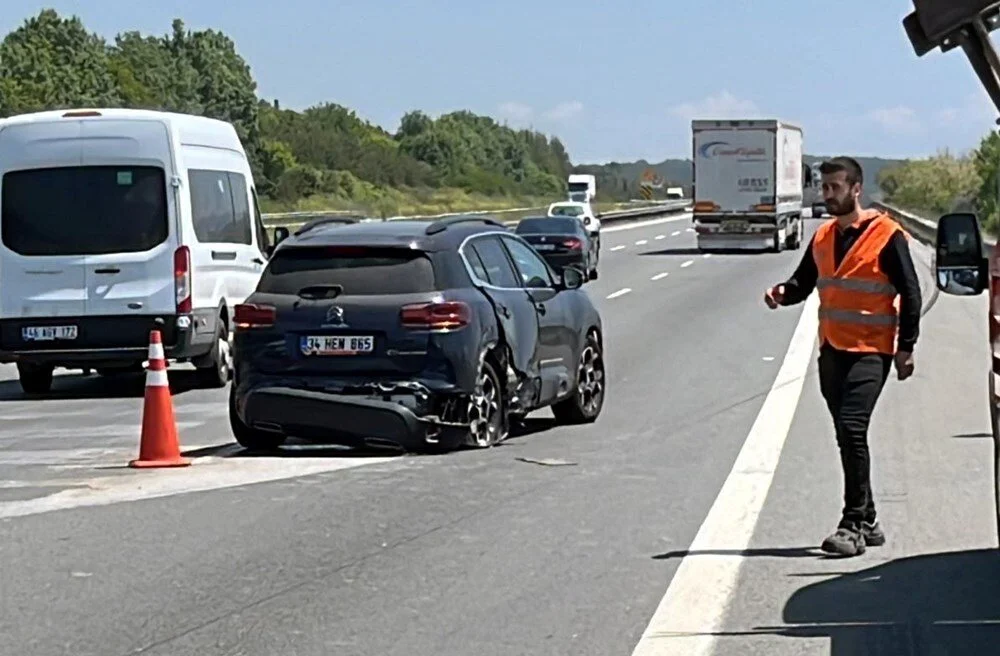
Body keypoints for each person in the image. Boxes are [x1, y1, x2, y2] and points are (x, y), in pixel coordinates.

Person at [764, 156, 922, 557]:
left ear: (856, 189)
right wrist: (782, 293)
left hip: (872, 350)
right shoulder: (822, 237)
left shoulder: (887, 235)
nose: (827, 195)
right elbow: (803, 283)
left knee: (852, 428)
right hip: (832, 348)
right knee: (845, 434)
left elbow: (911, 292)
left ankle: (851, 525)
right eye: (824, 187)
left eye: (834, 187)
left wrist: (906, 347)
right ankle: (868, 516)